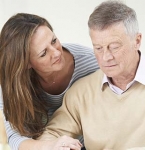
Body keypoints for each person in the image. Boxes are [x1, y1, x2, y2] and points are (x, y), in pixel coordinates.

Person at [38, 0, 145, 149]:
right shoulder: (81, 92)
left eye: (114, 47)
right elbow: (51, 136)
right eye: (98, 48)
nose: (105, 57)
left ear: (137, 41)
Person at [0, 13, 99, 150]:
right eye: (43, 53)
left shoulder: (92, 63)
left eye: (53, 41)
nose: (56, 53)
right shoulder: (14, 84)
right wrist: (49, 145)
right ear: (27, 64)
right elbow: (16, 138)